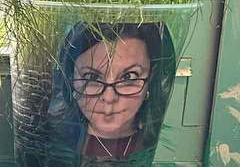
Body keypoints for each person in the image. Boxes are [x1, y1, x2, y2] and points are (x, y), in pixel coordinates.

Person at [49, 22, 175, 159]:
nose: (109, 97)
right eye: (92, 77)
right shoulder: (51, 144)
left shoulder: (160, 148)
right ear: (70, 78)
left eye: (129, 76)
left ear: (151, 79)